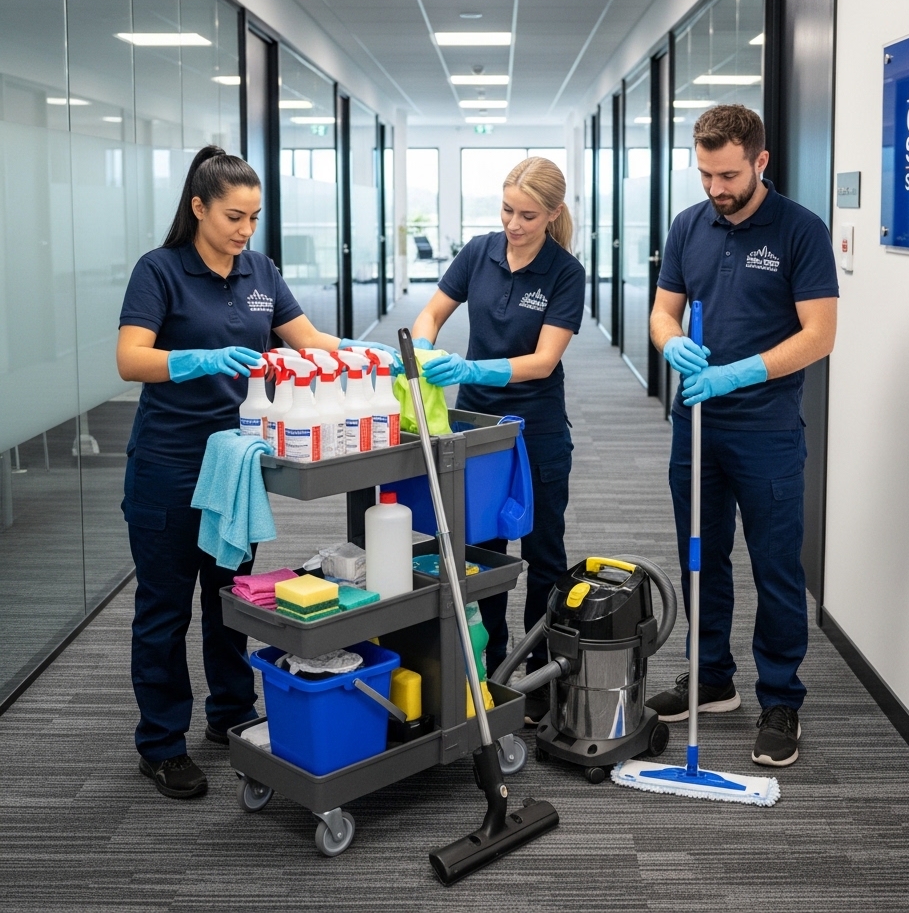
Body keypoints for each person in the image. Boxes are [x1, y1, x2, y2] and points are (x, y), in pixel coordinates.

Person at [117, 145, 394, 799]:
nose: (245, 230)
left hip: (238, 464)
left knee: (229, 599)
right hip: (170, 463)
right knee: (163, 611)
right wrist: (194, 359)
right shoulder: (159, 270)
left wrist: (362, 355)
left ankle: (231, 714)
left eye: (254, 216)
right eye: (233, 216)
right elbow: (131, 359)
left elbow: (308, 341)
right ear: (198, 208)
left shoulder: (261, 270)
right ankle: (160, 744)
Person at [647, 105, 839, 767]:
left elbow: (820, 334)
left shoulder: (799, 231)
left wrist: (736, 375)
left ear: (759, 161)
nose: (714, 188)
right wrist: (672, 346)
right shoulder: (688, 225)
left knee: (776, 566)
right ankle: (712, 678)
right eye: (704, 173)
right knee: (702, 556)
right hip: (695, 423)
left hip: (766, 430)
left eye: (726, 174)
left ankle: (781, 697)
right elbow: (662, 313)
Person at [411, 157, 585, 723]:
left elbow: (543, 361)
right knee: (483, 550)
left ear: (553, 214)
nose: (513, 223)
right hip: (480, 430)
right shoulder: (480, 251)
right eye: (507, 209)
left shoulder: (565, 273)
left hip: (536, 428)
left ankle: (535, 673)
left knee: (543, 551)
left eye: (527, 215)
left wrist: (476, 369)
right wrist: (423, 346)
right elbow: (432, 312)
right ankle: (489, 669)